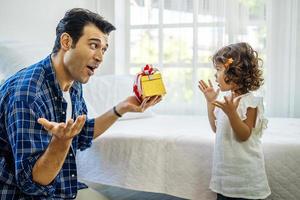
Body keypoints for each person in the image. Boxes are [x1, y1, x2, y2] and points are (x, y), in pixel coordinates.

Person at [0, 8, 161, 199]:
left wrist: (123, 107)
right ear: (66, 42)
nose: (100, 57)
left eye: (103, 49)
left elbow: (81, 133)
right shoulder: (27, 94)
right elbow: (32, 184)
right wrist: (60, 143)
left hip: (63, 187)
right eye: (94, 45)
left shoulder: (73, 83)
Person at [198, 42, 271, 200]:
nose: (215, 75)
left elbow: (244, 134)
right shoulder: (227, 100)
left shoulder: (250, 101)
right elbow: (216, 129)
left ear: (234, 73)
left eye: (218, 70)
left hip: (245, 180)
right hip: (225, 177)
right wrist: (210, 102)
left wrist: (232, 114)